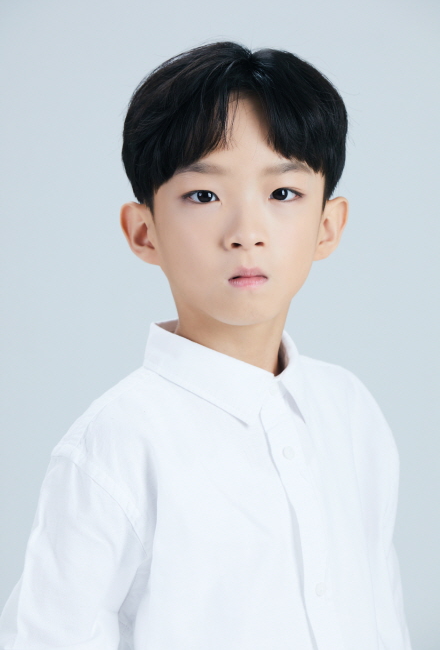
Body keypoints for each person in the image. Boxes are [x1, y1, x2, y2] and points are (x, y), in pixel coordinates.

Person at [0, 40, 413, 650]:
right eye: (203, 196)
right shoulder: (117, 444)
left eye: (283, 194)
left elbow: (383, 618)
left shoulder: (349, 411)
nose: (246, 233)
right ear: (144, 232)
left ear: (328, 226)